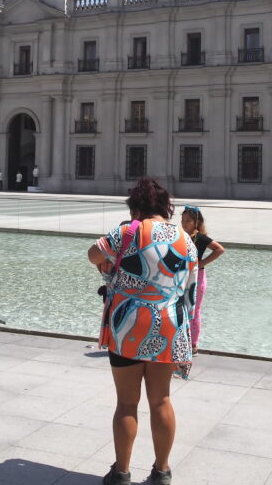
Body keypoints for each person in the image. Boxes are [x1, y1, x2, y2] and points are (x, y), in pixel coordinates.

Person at [87, 177, 198, 485]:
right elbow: (190, 293)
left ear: (135, 206)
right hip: (169, 326)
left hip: (128, 326)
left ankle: (121, 473)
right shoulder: (186, 240)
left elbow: (93, 254)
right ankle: (162, 471)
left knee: (126, 403)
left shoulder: (127, 231)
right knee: (161, 401)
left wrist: (109, 263)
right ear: (166, 207)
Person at [180, 205, 225, 352]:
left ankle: (193, 344)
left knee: (194, 310)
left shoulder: (199, 237)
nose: (184, 223)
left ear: (196, 222)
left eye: (188, 221)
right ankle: (182, 340)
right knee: (182, 308)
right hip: (183, 276)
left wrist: (202, 263)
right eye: (183, 220)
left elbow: (219, 249)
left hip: (197, 277)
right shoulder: (180, 235)